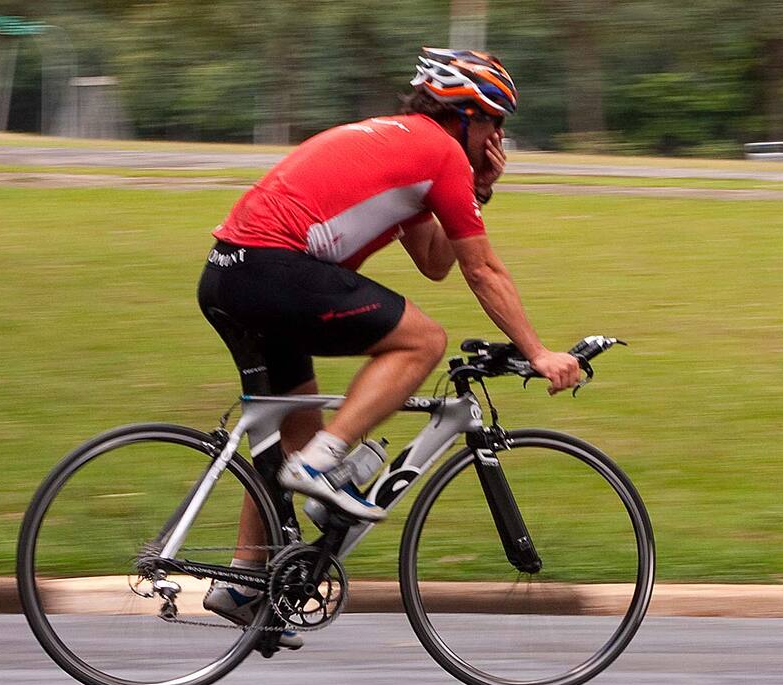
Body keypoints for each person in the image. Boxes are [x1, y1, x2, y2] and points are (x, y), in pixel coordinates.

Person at [195, 48, 581, 640]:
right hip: (270, 270)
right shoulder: (438, 150)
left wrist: (479, 188)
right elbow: (483, 272)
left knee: (292, 426)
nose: (500, 137)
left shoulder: (410, 147)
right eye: (494, 122)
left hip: (232, 271)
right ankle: (327, 470)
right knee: (423, 341)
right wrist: (538, 351)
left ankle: (247, 582)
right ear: (464, 115)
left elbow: (433, 262)